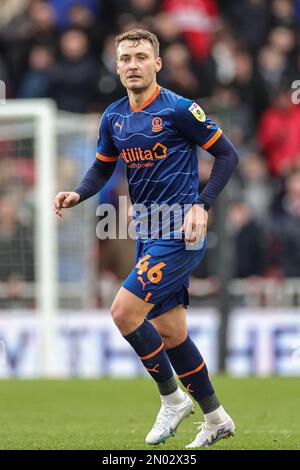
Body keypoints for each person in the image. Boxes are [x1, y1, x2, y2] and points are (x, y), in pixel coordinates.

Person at [53, 29, 238, 448]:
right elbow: (102, 168)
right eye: (125, 58)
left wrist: (202, 205)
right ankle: (216, 418)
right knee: (171, 332)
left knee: (123, 312)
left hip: (180, 231)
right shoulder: (113, 117)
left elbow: (227, 153)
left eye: (140, 56)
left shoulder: (179, 110)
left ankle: (172, 399)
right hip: (146, 232)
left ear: (157, 64)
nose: (132, 64)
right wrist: (78, 193)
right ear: (116, 67)